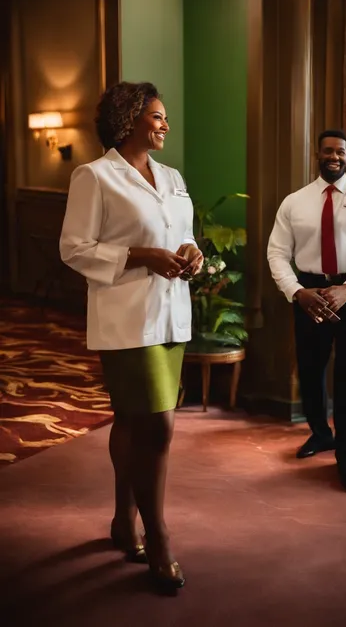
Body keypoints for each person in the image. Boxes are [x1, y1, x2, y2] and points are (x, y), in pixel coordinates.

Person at [60, 81, 203, 591]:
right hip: (125, 318)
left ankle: (123, 520)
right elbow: (74, 249)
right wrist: (140, 257)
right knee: (159, 426)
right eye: (158, 116)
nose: (166, 124)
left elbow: (180, 232)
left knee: (132, 419)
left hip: (171, 315)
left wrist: (191, 252)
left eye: (165, 117)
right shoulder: (94, 177)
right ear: (130, 120)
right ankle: (158, 537)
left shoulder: (171, 176)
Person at [267, 129, 346, 493]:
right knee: (312, 369)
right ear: (317, 155)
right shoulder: (294, 202)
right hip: (309, 292)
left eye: (341, 151)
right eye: (328, 151)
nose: (335, 157)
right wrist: (298, 292)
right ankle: (320, 433)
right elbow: (277, 253)